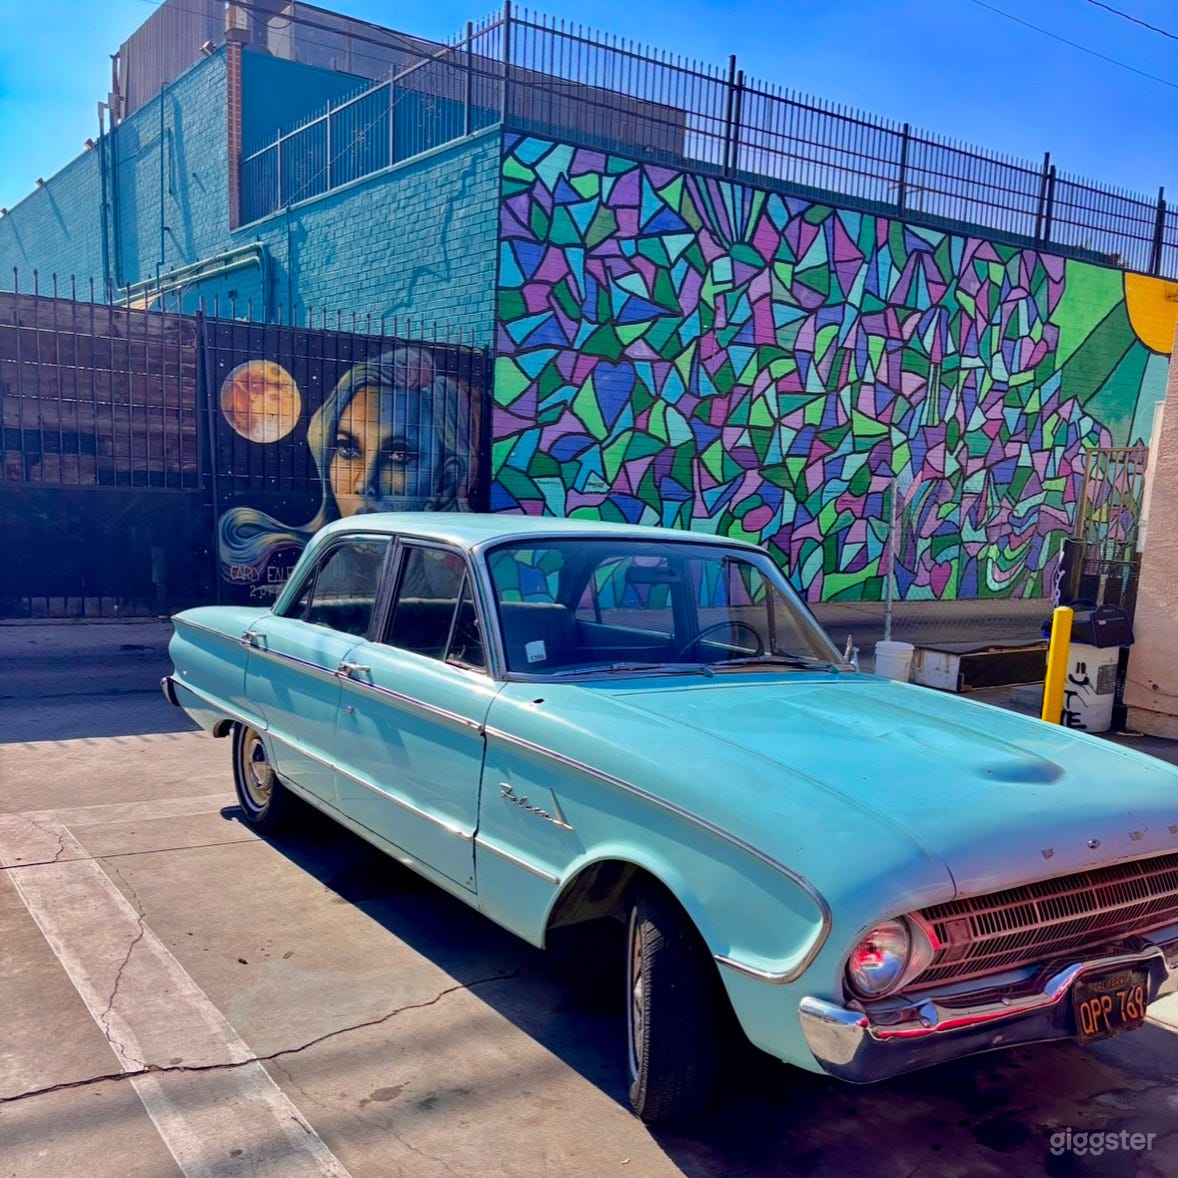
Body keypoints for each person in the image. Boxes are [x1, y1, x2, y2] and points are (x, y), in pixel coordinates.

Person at [216, 345, 473, 593]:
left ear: (445, 482)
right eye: (348, 449)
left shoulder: (466, 597)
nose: (363, 484)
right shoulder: (315, 595)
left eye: (398, 455)